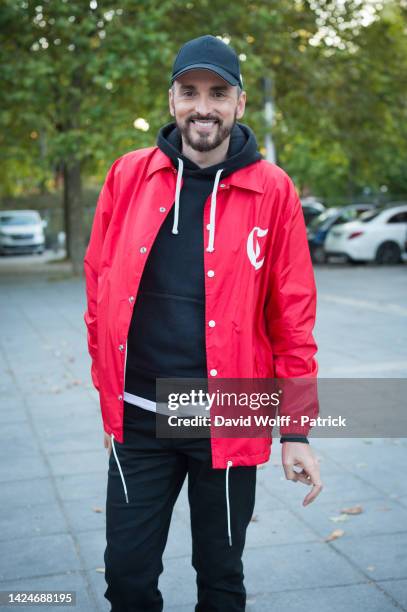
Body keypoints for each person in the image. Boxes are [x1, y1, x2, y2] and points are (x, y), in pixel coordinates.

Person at [83, 34, 323, 612]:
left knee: (220, 578)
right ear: (172, 101)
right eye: (189, 92)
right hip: (139, 423)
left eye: (218, 93)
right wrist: (106, 379)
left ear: (239, 103)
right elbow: (98, 284)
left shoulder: (274, 190)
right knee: (128, 578)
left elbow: (293, 318)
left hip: (228, 417)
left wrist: (294, 430)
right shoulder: (127, 176)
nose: (203, 107)